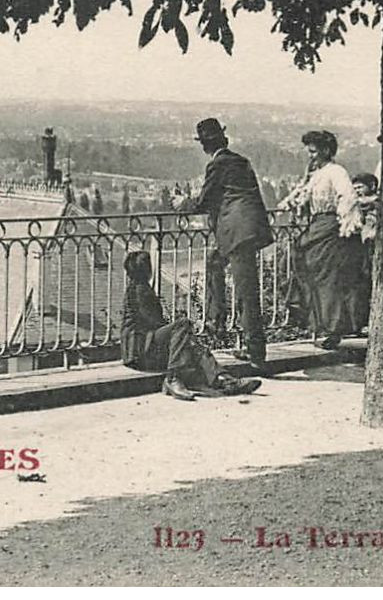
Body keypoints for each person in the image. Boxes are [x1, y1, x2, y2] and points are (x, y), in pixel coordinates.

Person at [172, 118, 274, 367]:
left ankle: (255, 353)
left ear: (204, 146)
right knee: (215, 264)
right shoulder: (241, 161)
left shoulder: (217, 165)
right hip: (249, 230)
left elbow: (203, 201)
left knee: (246, 291)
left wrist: (180, 203)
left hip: (236, 233)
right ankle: (217, 320)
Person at [120, 248, 260, 401]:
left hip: (143, 349)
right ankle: (173, 378)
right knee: (183, 325)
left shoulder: (138, 289)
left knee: (195, 346)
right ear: (148, 270)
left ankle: (224, 379)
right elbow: (155, 324)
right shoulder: (140, 291)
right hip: (140, 351)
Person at [279, 130, 368, 349]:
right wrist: (290, 205)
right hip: (316, 226)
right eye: (309, 152)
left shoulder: (336, 171)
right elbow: (302, 196)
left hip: (330, 228)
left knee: (327, 278)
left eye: (313, 151)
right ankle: (312, 321)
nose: (310, 156)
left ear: (326, 151)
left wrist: (346, 222)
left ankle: (333, 328)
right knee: (301, 266)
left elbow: (348, 196)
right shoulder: (314, 174)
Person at [351, 172, 379, 327]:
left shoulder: (375, 203)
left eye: (360, 187)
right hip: (359, 249)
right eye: (354, 188)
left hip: (371, 245)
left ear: (372, 187)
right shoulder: (356, 204)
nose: (357, 191)